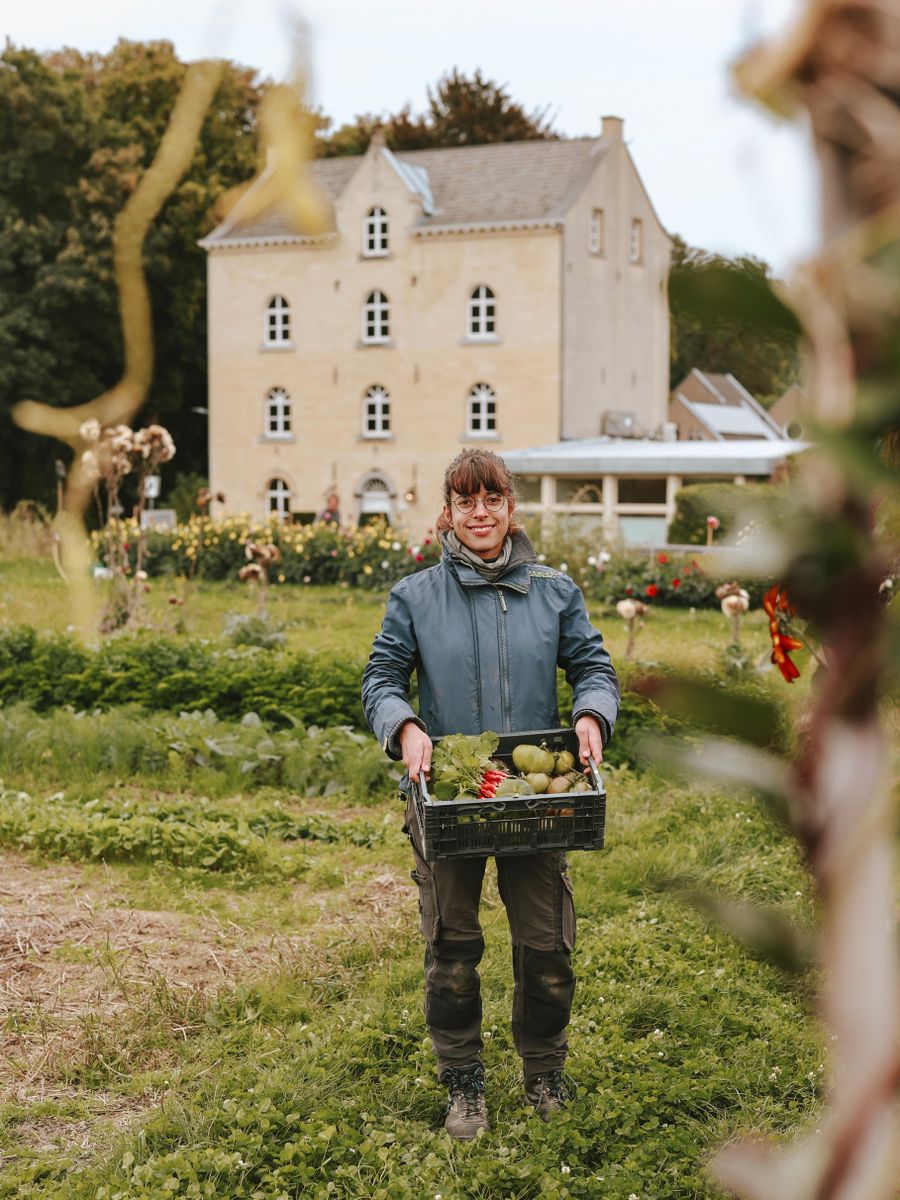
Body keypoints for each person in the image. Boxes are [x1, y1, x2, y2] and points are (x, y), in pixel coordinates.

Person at [361, 448, 619, 1140]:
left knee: (547, 946)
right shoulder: (415, 597)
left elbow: (593, 666)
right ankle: (464, 1082)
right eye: (466, 501)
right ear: (448, 512)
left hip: (535, 798)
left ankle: (544, 1071)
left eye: (492, 499)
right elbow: (381, 678)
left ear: (511, 508)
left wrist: (591, 715)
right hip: (450, 795)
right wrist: (404, 725)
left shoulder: (554, 592)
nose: (480, 513)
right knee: (452, 948)